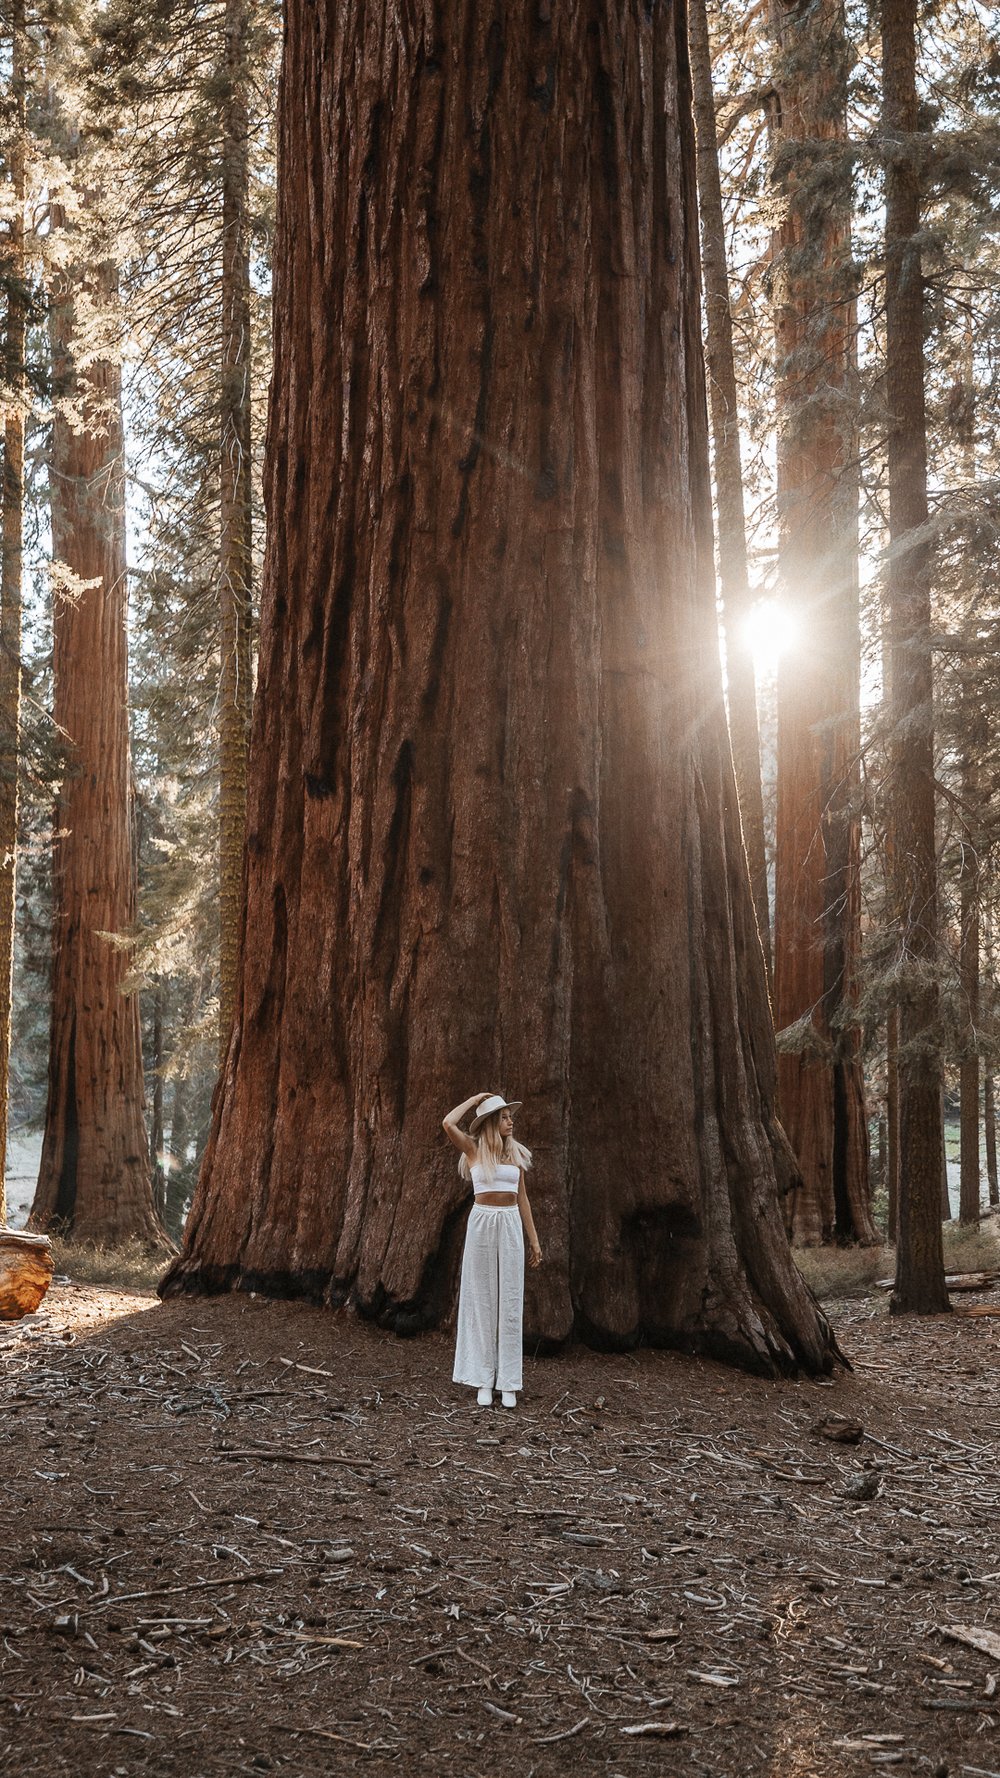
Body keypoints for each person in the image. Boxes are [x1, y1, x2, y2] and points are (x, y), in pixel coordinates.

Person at [442, 1091, 542, 1408]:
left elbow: (522, 1199)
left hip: (510, 1222)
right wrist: (472, 1102)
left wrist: (534, 1240)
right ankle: (483, 1379)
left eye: (510, 1117)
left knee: (509, 1300)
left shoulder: (516, 1155)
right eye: (504, 1117)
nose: (511, 1121)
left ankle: (508, 1382)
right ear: (490, 1123)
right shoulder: (473, 1150)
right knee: (481, 1298)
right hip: (482, 1223)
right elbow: (447, 1123)